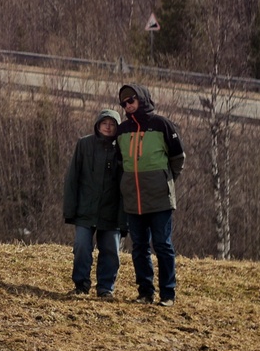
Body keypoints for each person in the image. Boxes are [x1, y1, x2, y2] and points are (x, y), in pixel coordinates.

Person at [116, 83, 185, 305]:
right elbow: (119, 161)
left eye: (131, 101)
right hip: (133, 198)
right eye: (124, 103)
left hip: (159, 198)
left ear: (142, 99)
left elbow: (178, 157)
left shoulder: (161, 124)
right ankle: (145, 292)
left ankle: (168, 294)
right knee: (139, 247)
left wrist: (166, 180)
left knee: (163, 245)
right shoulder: (122, 130)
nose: (128, 106)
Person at [62, 107, 123, 298]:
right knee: (81, 247)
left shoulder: (122, 149)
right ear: (98, 125)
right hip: (85, 210)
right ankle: (81, 285)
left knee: (111, 251)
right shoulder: (84, 144)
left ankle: (105, 289)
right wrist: (70, 209)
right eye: (104, 123)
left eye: (112, 124)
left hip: (112, 213)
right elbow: (73, 178)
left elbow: (126, 185)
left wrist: (125, 219)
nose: (107, 127)